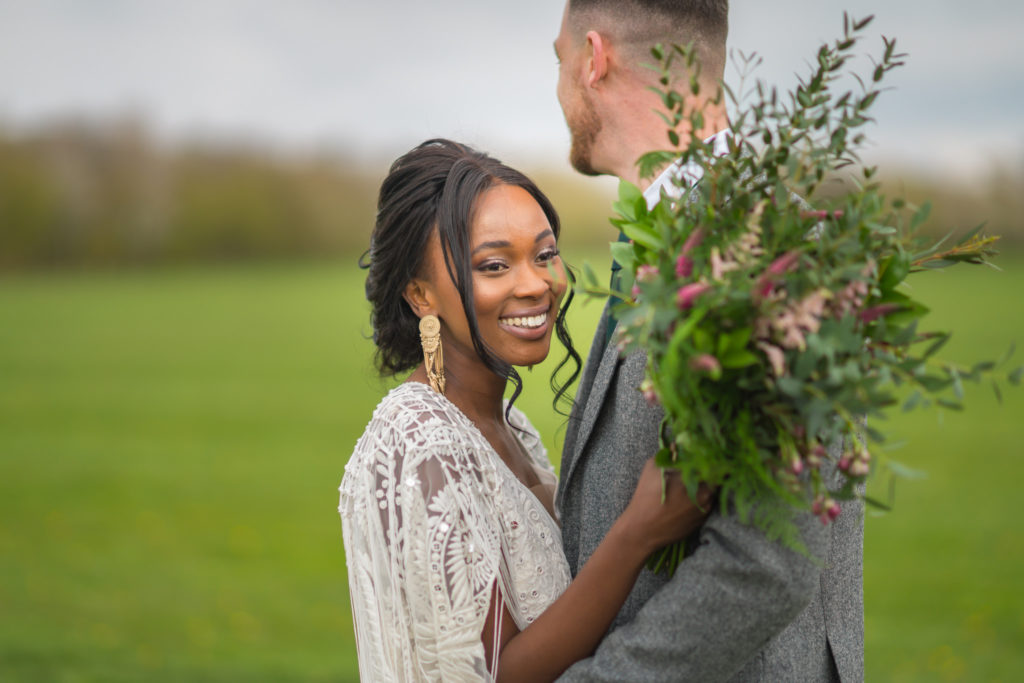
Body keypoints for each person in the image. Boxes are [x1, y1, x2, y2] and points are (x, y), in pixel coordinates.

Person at [552, 1, 865, 681]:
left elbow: (767, 564)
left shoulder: (770, 255)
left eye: (560, 60)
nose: (558, 88)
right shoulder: (675, 233)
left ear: (594, 59)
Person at [338, 138, 712, 682]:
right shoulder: (417, 440)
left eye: (544, 254)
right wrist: (639, 533)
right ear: (420, 295)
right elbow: (498, 674)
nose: (536, 284)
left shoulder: (509, 426)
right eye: (494, 265)